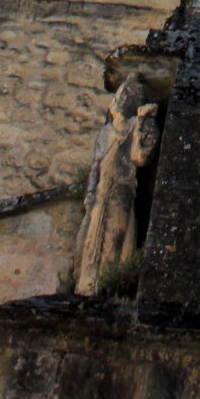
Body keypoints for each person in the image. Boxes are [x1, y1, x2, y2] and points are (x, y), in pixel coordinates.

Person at [74, 76, 160, 294]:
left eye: (130, 96)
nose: (123, 99)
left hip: (121, 191)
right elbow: (96, 164)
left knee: (114, 238)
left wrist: (140, 123)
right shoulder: (105, 132)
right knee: (89, 240)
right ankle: (86, 287)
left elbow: (139, 157)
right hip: (101, 192)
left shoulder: (139, 125)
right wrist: (91, 192)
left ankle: (106, 287)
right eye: (122, 94)